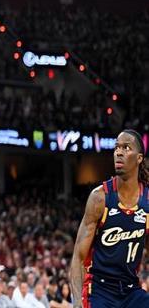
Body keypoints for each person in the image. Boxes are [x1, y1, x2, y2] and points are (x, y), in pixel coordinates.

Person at [70, 129, 149, 307]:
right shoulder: (100, 198)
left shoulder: (147, 201)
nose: (119, 152)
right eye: (116, 148)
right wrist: (77, 303)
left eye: (126, 148)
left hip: (131, 291)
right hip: (99, 290)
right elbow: (78, 258)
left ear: (139, 158)